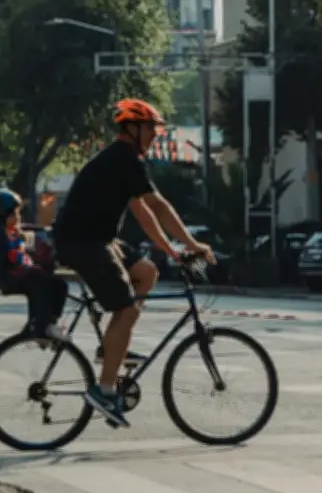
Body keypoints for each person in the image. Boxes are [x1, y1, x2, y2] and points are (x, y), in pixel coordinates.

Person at [53, 99, 215, 427]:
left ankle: (111, 348)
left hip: (97, 240)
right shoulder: (123, 159)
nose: (156, 135)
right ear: (134, 129)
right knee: (126, 309)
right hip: (84, 242)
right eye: (152, 129)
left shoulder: (122, 162)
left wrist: (170, 250)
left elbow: (142, 211)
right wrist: (193, 244)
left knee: (146, 271)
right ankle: (105, 389)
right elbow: (160, 205)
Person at [0, 189, 70, 343]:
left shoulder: (10, 232)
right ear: (3, 216)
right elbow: (12, 256)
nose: (19, 218)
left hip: (18, 272)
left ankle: (49, 323)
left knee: (59, 284)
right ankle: (40, 327)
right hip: (9, 276)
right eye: (15, 213)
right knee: (38, 279)